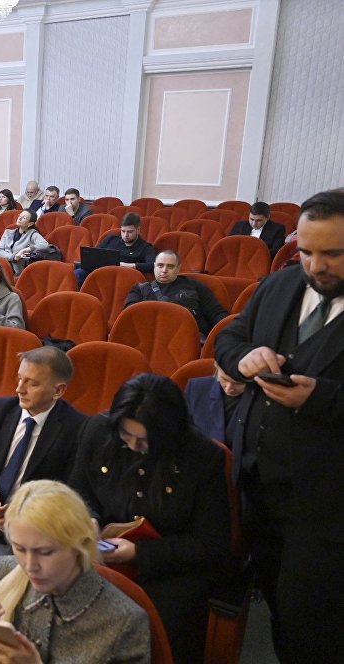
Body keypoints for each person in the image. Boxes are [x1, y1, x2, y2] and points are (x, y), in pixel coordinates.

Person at [214, 188, 344, 661]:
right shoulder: (280, 284)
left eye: (333, 254)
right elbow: (230, 336)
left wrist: (321, 398)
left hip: (326, 504)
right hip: (257, 484)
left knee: (311, 622)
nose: (316, 266)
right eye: (306, 251)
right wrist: (244, 358)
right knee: (274, 602)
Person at [70, 373, 230, 660]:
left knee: (130, 626)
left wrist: (139, 553)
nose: (132, 446)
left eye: (143, 441)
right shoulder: (98, 430)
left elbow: (212, 544)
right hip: (102, 553)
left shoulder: (202, 457)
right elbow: (79, 490)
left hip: (168, 566)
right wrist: (88, 518)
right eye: (125, 435)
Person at [0, 479, 151, 664]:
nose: (30, 565)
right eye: (19, 549)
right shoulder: (0, 571)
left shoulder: (125, 622)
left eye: (45, 552)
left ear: (81, 546)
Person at [0, 346, 87, 538]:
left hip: (31, 530)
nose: (19, 389)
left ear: (58, 390)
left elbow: (69, 494)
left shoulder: (77, 429)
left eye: (32, 384)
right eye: (19, 378)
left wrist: (21, 516)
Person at [124, 249, 228, 338]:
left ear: (178, 269)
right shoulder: (140, 289)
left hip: (189, 338)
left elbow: (217, 314)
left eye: (170, 266)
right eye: (160, 265)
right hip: (151, 337)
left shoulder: (195, 286)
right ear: (154, 266)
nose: (164, 270)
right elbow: (131, 315)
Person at [74, 213, 156, 285]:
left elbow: (153, 265)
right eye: (123, 231)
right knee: (77, 274)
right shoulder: (111, 239)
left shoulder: (146, 247)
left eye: (130, 232)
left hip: (124, 278)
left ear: (138, 230)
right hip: (101, 273)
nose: (126, 235)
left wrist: (129, 266)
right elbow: (95, 253)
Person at [184, 362, 246, 444]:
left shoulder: (260, 398)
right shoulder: (196, 388)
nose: (228, 389)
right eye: (224, 379)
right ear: (216, 369)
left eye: (238, 384)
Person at [0, 208, 50, 275]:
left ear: (30, 223)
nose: (20, 218)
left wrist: (25, 250)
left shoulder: (32, 234)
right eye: (20, 216)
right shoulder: (7, 232)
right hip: (2, 264)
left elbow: (45, 245)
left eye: (24, 218)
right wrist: (13, 257)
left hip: (16, 269)